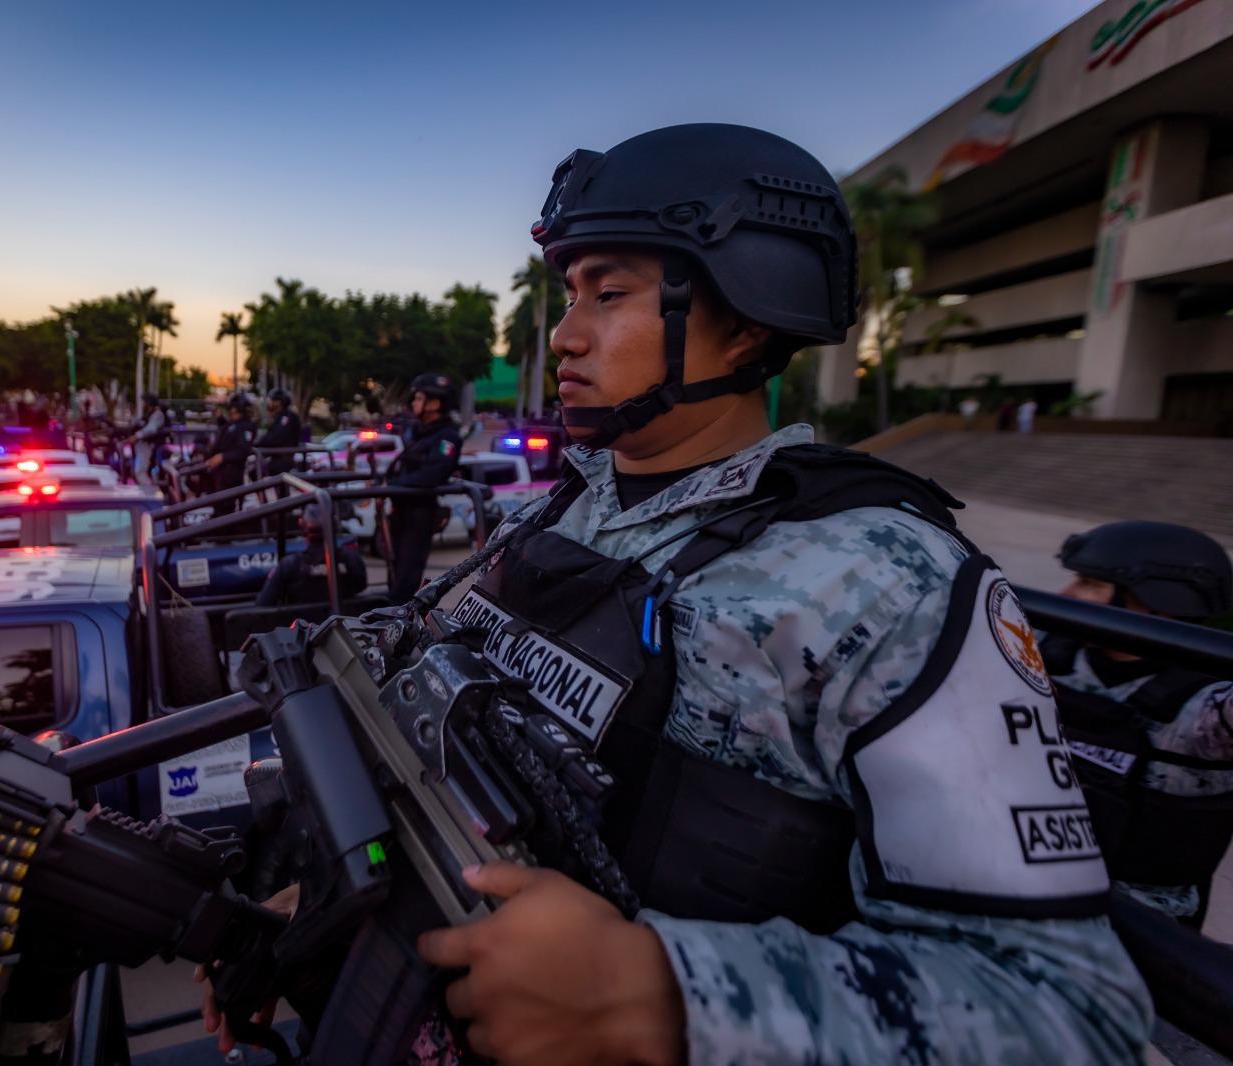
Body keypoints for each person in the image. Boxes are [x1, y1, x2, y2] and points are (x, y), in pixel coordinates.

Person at [393, 124, 1146, 1065]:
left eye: (610, 294)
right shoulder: (558, 511)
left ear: (746, 320)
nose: (565, 334)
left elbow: (1074, 1014)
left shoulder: (886, 580)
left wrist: (671, 998)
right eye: (571, 293)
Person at [1040, 520, 1233, 929]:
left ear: (1157, 602)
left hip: (1138, 923)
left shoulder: (1209, 709)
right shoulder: (1047, 653)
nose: (1065, 595)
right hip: (1029, 884)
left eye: (1089, 584)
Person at [384, 372, 461, 602]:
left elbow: (433, 474)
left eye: (419, 398)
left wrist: (394, 484)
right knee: (395, 569)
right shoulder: (418, 433)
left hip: (419, 513)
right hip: (400, 510)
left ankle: (398, 616)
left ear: (434, 404)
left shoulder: (447, 437)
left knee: (406, 576)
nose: (414, 403)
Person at [255, 501, 367, 607]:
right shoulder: (351, 559)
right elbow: (361, 586)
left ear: (302, 525)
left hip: (303, 621)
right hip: (344, 619)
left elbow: (264, 602)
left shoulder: (289, 565)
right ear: (334, 525)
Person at [204, 392, 257, 517]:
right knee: (217, 503)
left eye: (235, 409)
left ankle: (225, 526)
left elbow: (243, 450)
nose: (232, 411)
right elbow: (227, 431)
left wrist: (222, 457)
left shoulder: (246, 425)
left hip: (231, 473)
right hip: (219, 472)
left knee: (226, 506)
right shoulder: (232, 424)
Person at [254, 388, 303, 475]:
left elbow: (276, 438)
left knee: (256, 473)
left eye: (273, 400)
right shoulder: (279, 416)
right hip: (276, 457)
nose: (270, 403)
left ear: (279, 402)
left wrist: (258, 442)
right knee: (253, 471)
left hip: (282, 460)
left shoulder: (287, 417)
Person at [129, 393, 167, 490]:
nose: (143, 404)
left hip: (147, 446)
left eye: (145, 402)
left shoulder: (158, 414)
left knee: (140, 472)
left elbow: (151, 429)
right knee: (137, 472)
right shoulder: (148, 414)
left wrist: (137, 436)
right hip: (140, 446)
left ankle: (151, 492)